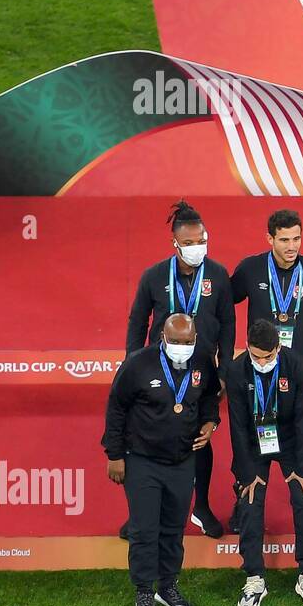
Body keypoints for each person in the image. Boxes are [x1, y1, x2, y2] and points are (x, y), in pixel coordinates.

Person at [125, 200, 234, 539]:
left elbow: (228, 321)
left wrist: (226, 367)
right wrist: (133, 363)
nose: (196, 247)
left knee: (201, 435)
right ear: (175, 244)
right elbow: (137, 320)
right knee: (153, 436)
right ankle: (143, 515)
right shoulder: (155, 276)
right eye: (188, 243)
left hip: (202, 373)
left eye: (201, 240)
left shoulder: (216, 274)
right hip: (161, 370)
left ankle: (200, 506)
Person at [103, 314, 220, 606]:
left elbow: (209, 396)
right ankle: (143, 590)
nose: (183, 347)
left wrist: (211, 423)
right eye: (176, 342)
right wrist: (114, 455)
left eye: (188, 342)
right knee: (144, 530)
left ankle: (168, 586)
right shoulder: (138, 364)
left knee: (173, 529)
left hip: (182, 461)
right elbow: (116, 406)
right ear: (163, 338)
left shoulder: (203, 361)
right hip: (142, 460)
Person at [231, 209, 303, 532]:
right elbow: (223, 305)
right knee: (250, 439)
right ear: (270, 239)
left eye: (296, 238)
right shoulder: (251, 270)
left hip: (301, 380)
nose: (291, 246)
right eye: (284, 240)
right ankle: (244, 501)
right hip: (258, 375)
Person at [227, 319, 303, 606]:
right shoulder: (235, 370)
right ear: (247, 347)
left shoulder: (298, 367)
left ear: (278, 348)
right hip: (255, 441)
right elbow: (238, 426)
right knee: (249, 501)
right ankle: (254, 577)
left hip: (292, 441)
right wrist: (246, 473)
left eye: (268, 357)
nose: (262, 362)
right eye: (256, 356)